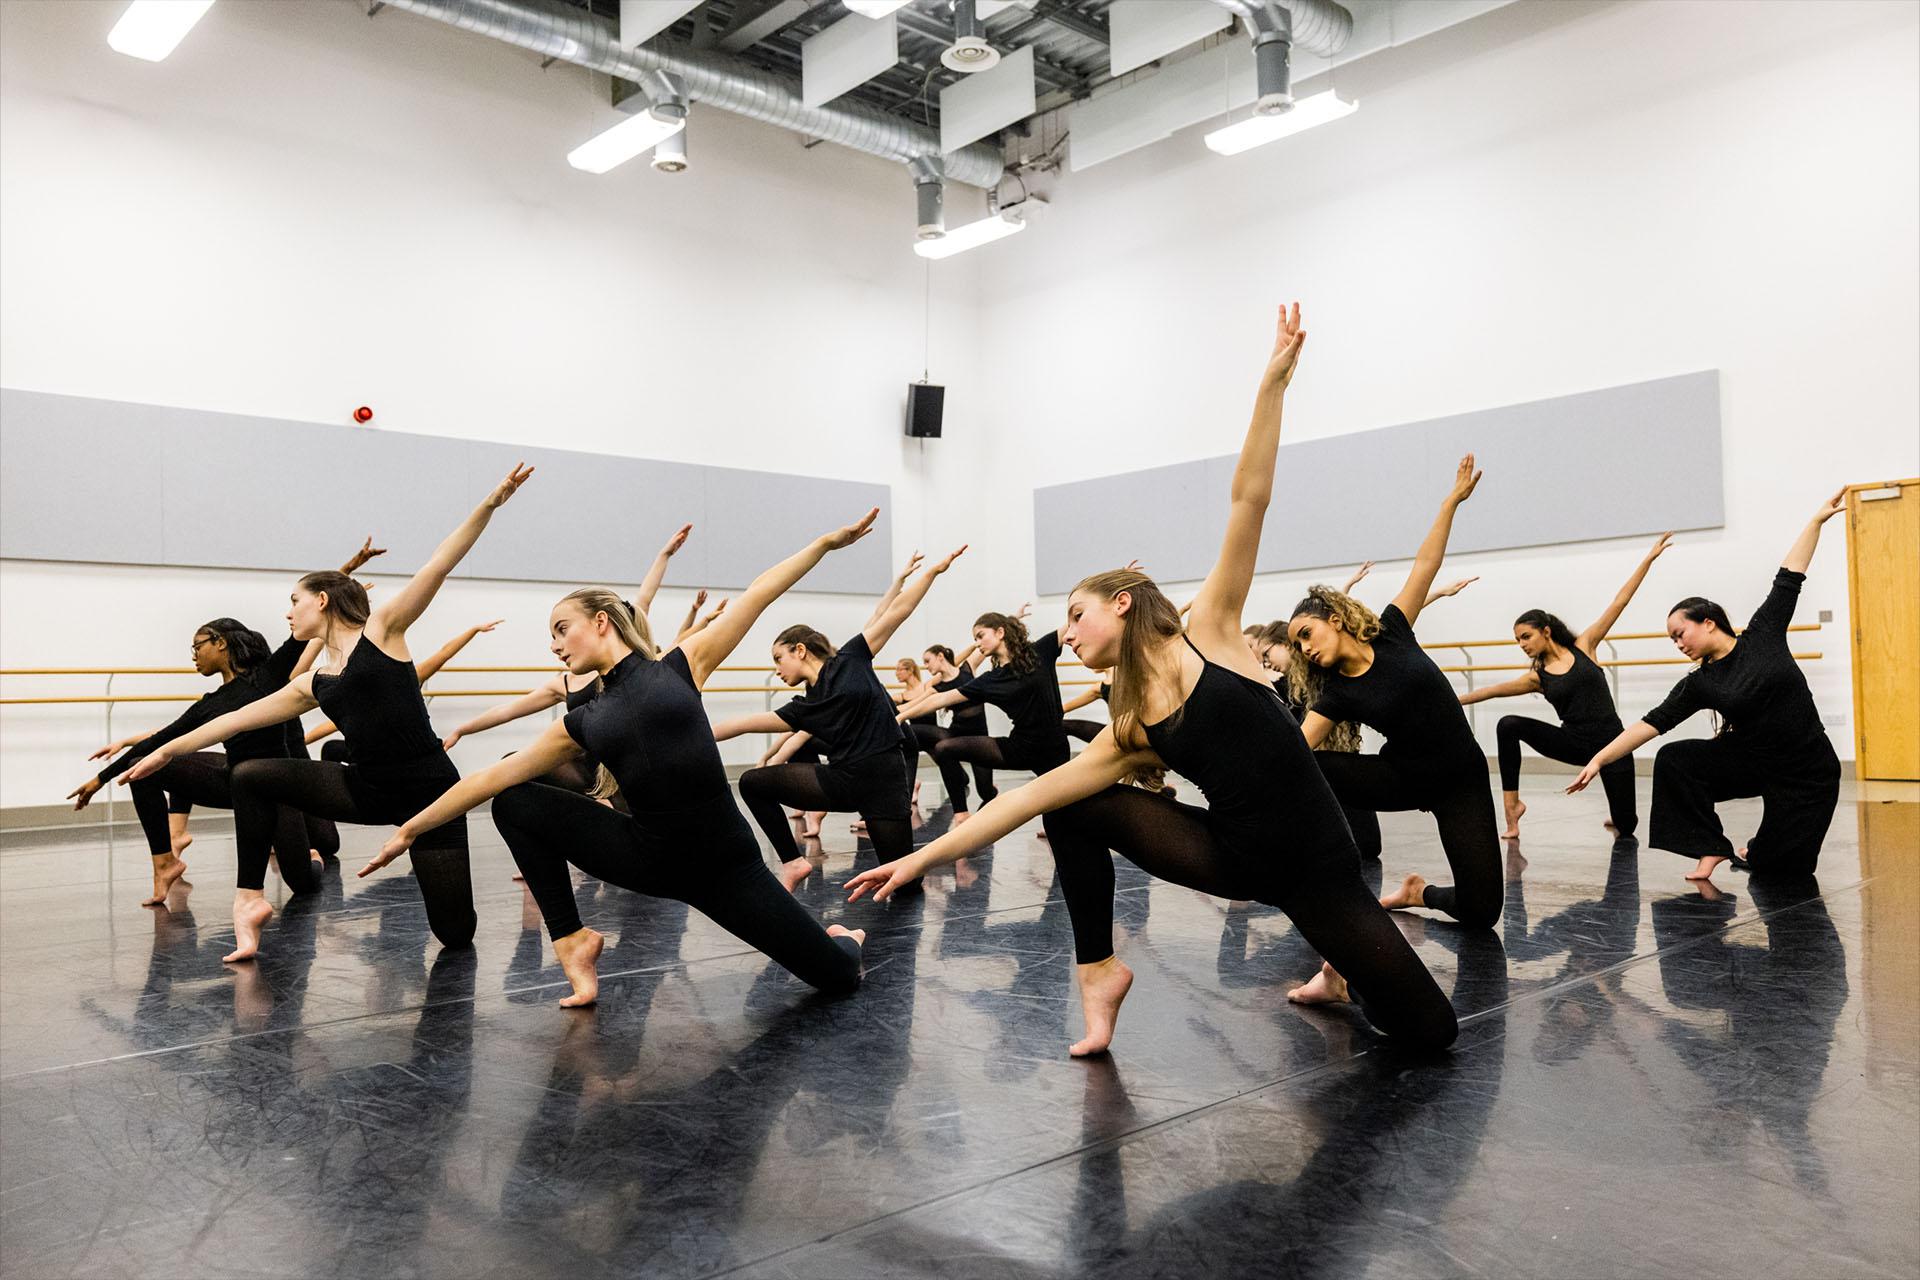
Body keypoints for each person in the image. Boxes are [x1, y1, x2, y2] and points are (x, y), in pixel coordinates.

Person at [848, 305, 1457, 1057]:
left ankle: (1340, 973)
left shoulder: (1215, 633)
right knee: (1076, 805)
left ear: (1124, 602)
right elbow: (1029, 799)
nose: (1065, 635)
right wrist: (918, 856)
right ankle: (1098, 972)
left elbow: (1248, 500)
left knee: (1431, 1036)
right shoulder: (1130, 726)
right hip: (1235, 857)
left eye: (1076, 616)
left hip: (1321, 874)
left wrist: (1272, 386)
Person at [368, 508, 886, 1008]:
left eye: (560, 629)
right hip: (651, 856)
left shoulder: (682, 666)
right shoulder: (581, 721)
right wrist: (409, 831)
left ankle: (842, 937)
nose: (554, 645)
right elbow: (490, 777)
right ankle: (571, 940)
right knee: (514, 802)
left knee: (839, 977)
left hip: (727, 866)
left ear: (599, 622)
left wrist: (824, 545)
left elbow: (760, 593)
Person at [123, 465, 537, 961]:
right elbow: (231, 721)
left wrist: (491, 502)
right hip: (364, 787)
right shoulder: (312, 680)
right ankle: (249, 898)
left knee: (454, 932)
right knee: (251, 775)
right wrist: (162, 752)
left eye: (294, 602)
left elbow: (438, 564)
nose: (288, 613)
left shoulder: (383, 631)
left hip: (429, 792)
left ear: (322, 600)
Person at [69, 538, 384, 904]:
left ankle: (311, 856)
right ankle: (164, 863)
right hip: (232, 779)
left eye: (197, 646)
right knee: (145, 767)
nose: (193, 657)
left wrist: (349, 568)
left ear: (220, 643)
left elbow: (318, 603)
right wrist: (99, 779)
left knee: (304, 882)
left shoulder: (269, 675)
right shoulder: (210, 703)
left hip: (276, 785)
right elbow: (161, 740)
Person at [1568, 491, 1845, 883]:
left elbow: (1790, 575)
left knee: (1781, 870)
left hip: (1808, 771)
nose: (1679, 644)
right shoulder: (1700, 683)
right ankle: (1711, 845)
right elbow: (1650, 725)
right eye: (1673, 640)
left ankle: (1759, 848)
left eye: (1681, 633)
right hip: (1751, 762)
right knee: (1675, 760)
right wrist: (1599, 759)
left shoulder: (1763, 634)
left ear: (1708, 621)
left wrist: (1815, 521)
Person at [1285, 454, 1501, 929]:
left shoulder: (1391, 630)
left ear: (1335, 620)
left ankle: (1417, 892)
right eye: (1296, 644)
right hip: (1401, 776)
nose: (1303, 648)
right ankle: (1312, 870)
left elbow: (1425, 564)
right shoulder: (1336, 694)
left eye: (1305, 633)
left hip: (1461, 779)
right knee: (1304, 765)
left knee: (1482, 912)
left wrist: (1451, 502)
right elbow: (1297, 749)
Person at [714, 546, 967, 890]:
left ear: (799, 650)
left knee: (905, 886)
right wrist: (687, 732)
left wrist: (932, 573)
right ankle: (793, 862)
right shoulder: (804, 705)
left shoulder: (852, 658)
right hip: (842, 781)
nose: (777, 669)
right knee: (752, 783)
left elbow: (898, 611)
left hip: (884, 783)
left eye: (779, 658)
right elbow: (742, 724)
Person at [1460, 532, 1673, 839]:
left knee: (1627, 827)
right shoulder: (1537, 677)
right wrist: (1452, 701)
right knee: (1508, 725)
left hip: (1613, 744)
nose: (1521, 644)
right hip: (1574, 742)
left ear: (1546, 631)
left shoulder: (1584, 645)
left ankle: (1619, 813)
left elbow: (1620, 601)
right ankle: (1512, 809)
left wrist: (1648, 559)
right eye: (1517, 639)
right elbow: (1489, 691)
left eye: (1526, 637)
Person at [893, 604, 1071, 826]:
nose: (977, 643)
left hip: (1054, 748)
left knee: (1062, 818)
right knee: (944, 748)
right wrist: (900, 717)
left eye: (980, 636)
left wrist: (1124, 583)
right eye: (975, 639)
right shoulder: (990, 680)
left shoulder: (1040, 651)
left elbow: (1073, 622)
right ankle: (961, 813)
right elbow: (940, 699)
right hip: (1021, 747)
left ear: (1000, 632)